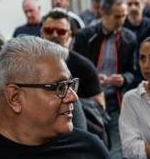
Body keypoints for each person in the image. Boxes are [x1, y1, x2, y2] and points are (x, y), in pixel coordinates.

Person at [73, 0, 138, 159]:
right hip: (89, 102)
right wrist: (92, 78)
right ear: (104, 14)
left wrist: (123, 79)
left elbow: (133, 71)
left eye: (124, 15)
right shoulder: (86, 36)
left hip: (115, 102)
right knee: (91, 149)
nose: (121, 20)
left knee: (117, 152)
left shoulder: (129, 38)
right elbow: (76, 67)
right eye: (117, 16)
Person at [41, 9, 106, 138]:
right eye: (49, 30)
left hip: (76, 131)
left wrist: (69, 103)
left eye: (61, 31)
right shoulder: (30, 65)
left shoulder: (84, 66)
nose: (54, 35)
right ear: (42, 32)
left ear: (69, 34)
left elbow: (100, 106)